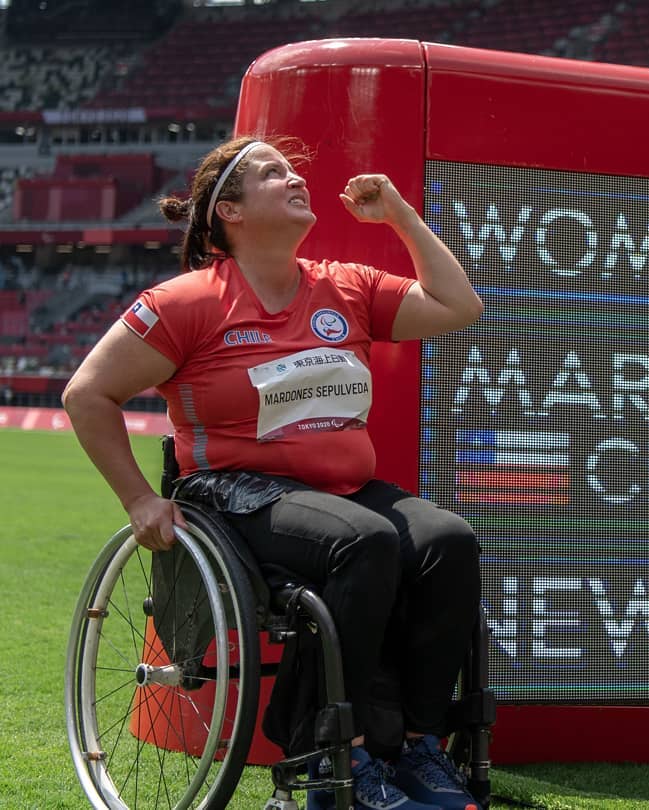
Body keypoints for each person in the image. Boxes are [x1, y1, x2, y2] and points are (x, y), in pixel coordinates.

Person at [62, 135, 486, 810]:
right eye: (273, 174)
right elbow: (87, 395)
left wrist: (401, 215)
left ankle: (417, 746)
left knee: (448, 542)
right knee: (364, 541)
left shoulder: (344, 285)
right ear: (228, 210)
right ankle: (322, 753)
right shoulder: (186, 302)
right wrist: (139, 499)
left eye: (294, 172)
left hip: (342, 491)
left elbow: (459, 307)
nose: (295, 180)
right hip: (236, 493)